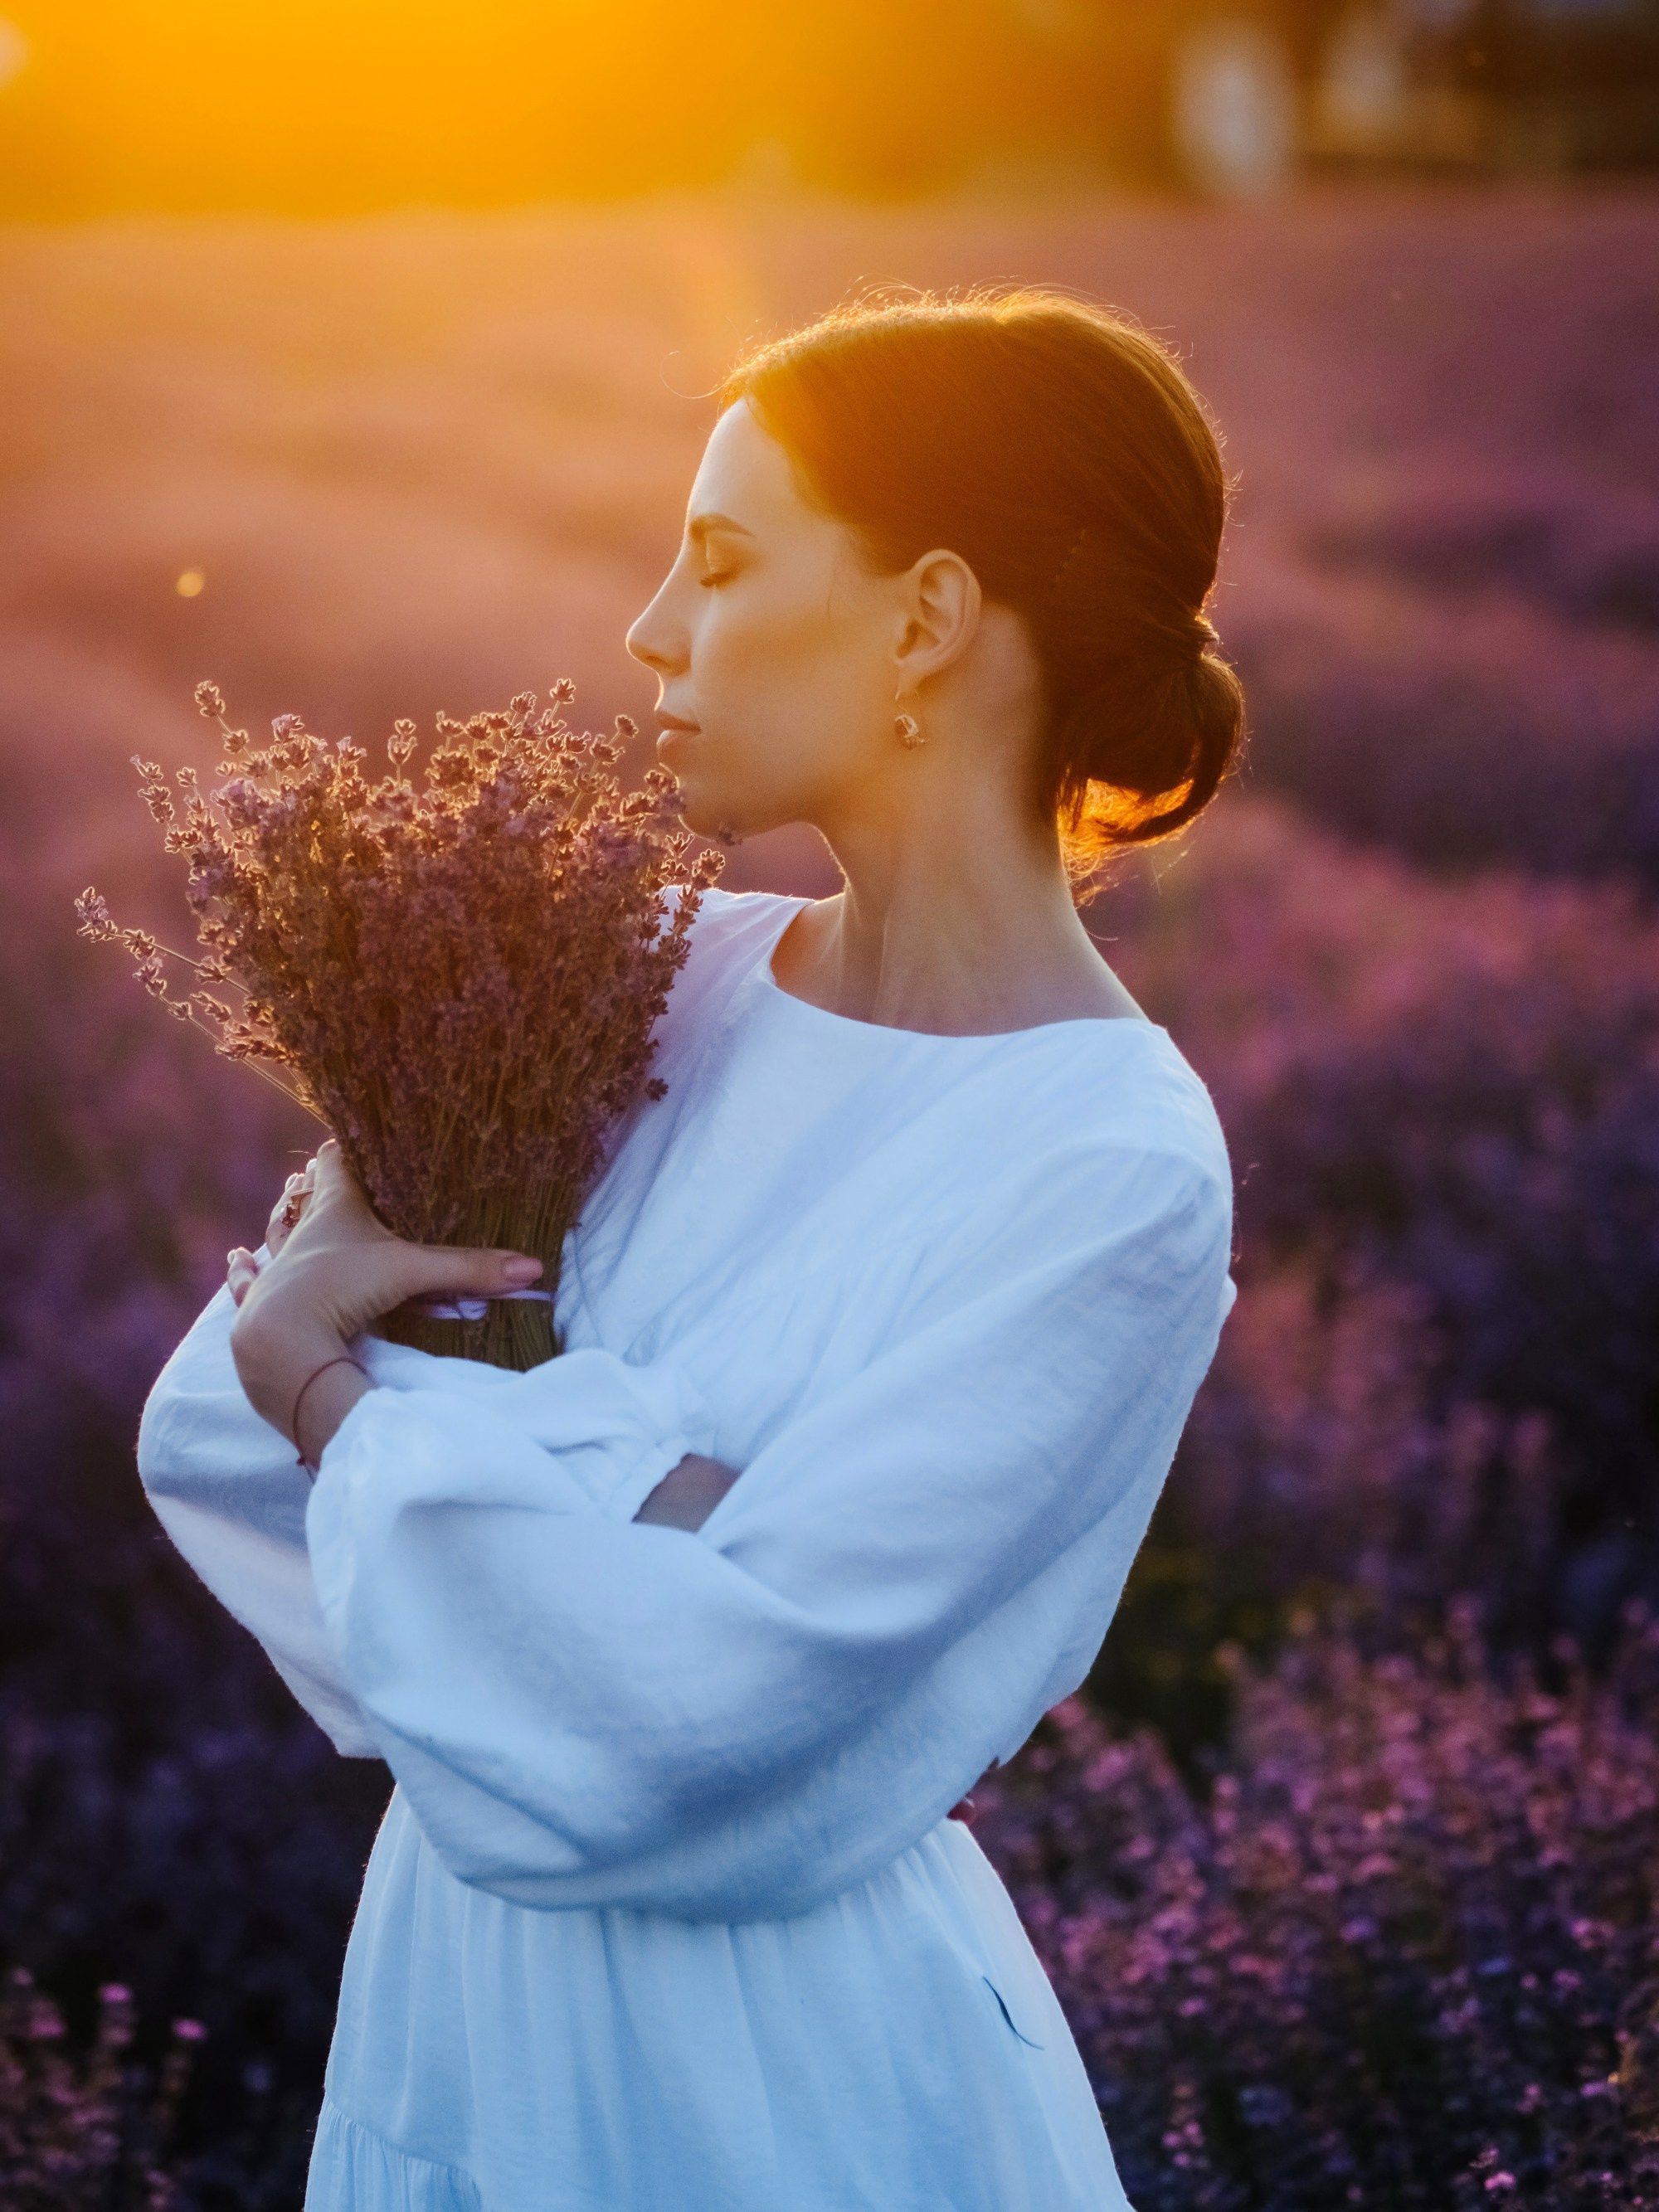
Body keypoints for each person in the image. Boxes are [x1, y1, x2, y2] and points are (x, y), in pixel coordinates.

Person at [138, 287, 1243, 2211]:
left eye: (721, 562)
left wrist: (345, 1395)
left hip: (779, 2079)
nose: (651, 627)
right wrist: (646, 1505)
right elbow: (214, 1438)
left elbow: (703, 1731)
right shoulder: (631, 974)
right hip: (457, 1995)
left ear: (925, 617)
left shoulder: (1110, 1164)